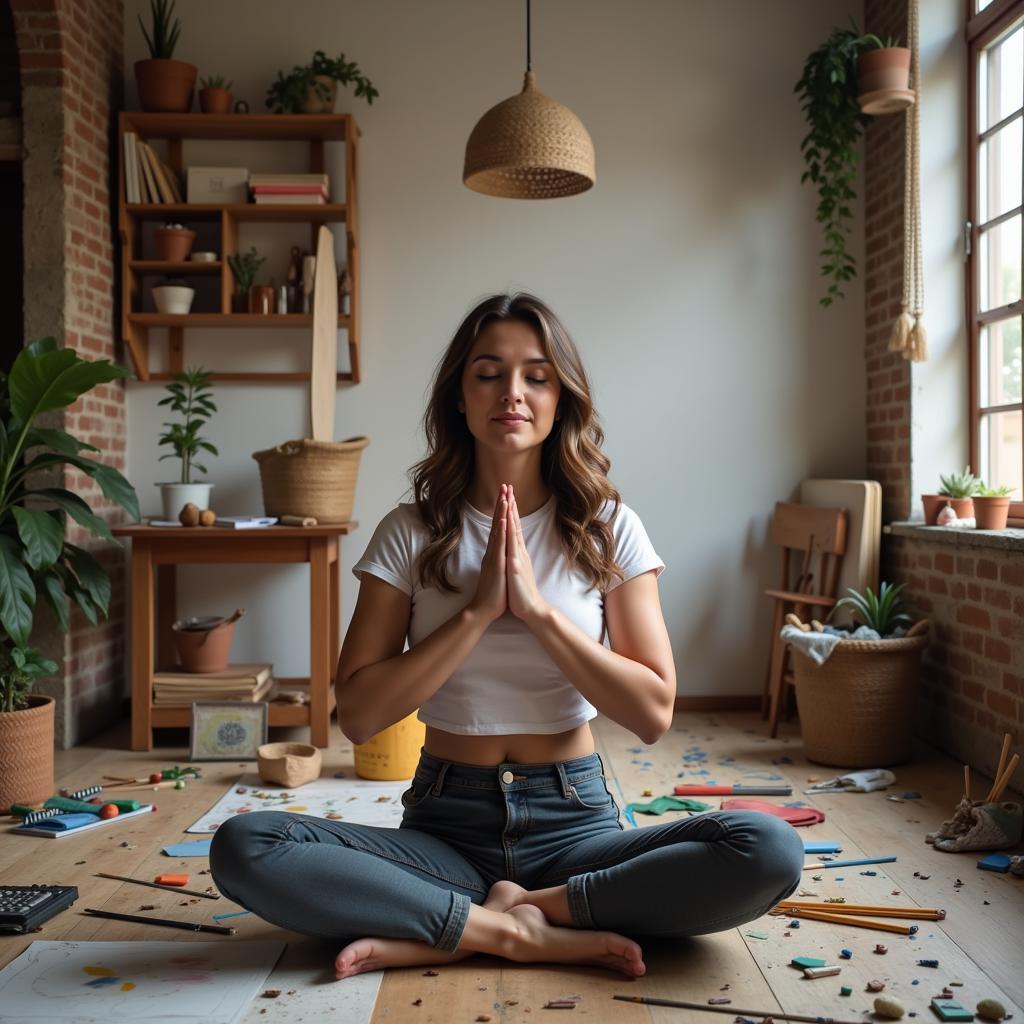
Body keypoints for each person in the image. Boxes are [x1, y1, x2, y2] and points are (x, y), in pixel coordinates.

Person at [209, 292, 804, 981]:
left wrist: (538, 613)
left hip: (574, 826)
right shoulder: (412, 530)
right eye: (488, 373)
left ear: (562, 399)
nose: (512, 393)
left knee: (767, 850)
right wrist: (475, 614)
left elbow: (652, 712)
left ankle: (489, 918)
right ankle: (516, 932)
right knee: (246, 844)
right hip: (444, 830)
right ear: (460, 397)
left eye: (537, 375)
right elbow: (361, 716)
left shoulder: (609, 527)